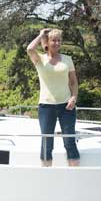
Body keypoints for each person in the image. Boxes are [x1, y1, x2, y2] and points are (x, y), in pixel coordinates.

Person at [26, 28, 80, 167]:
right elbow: (30, 48)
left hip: (66, 106)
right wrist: (40, 35)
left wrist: (74, 97)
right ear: (47, 42)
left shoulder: (67, 60)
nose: (56, 43)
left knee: (70, 142)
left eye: (59, 40)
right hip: (46, 106)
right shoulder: (39, 59)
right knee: (46, 143)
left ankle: (75, 175)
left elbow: (73, 82)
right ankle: (47, 175)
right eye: (53, 40)